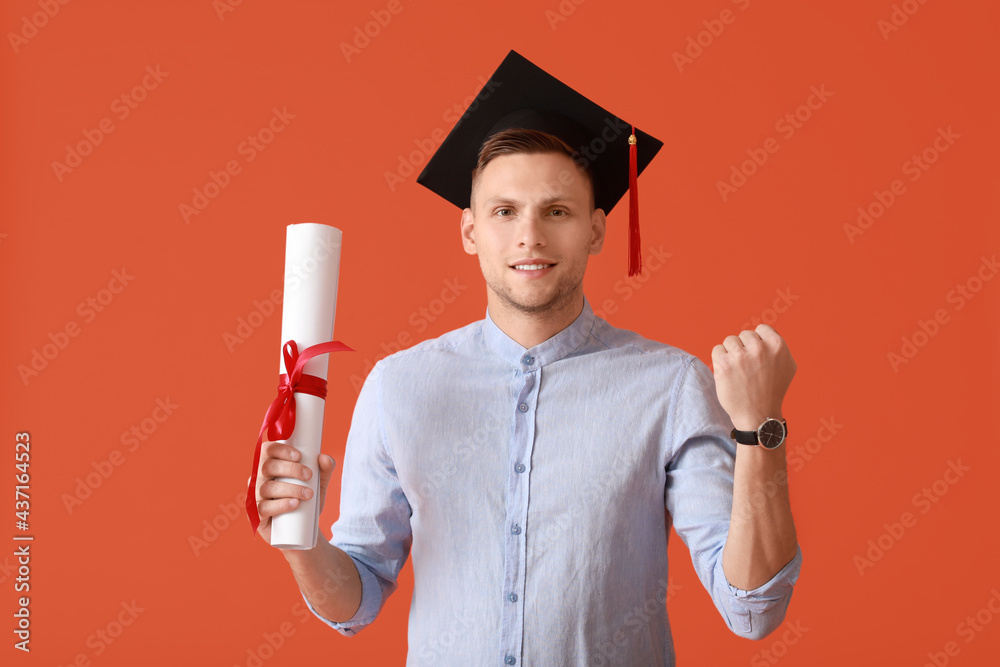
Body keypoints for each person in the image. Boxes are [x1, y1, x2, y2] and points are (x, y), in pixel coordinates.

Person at [252, 50, 802, 666]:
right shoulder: (399, 386)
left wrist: (760, 432)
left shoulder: (669, 388)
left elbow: (752, 610)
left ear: (596, 230)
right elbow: (356, 601)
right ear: (469, 231)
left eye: (557, 211)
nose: (530, 237)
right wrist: (299, 541)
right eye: (504, 211)